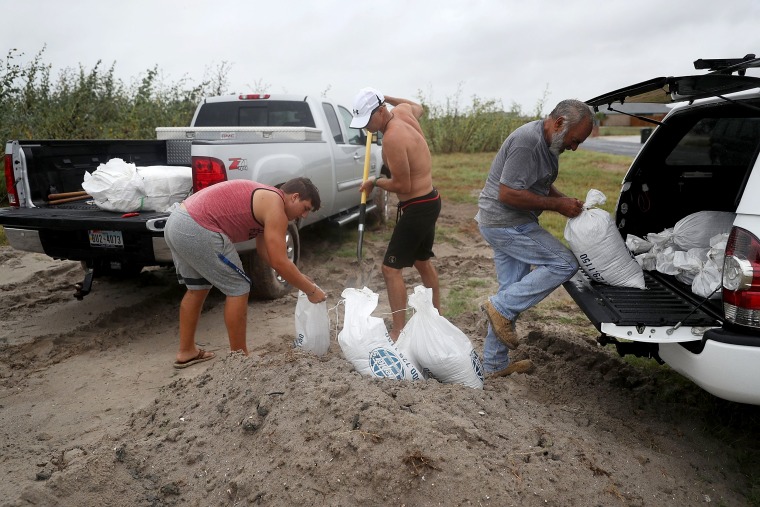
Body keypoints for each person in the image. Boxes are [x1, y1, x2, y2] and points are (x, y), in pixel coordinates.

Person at [476, 99, 594, 377]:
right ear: (559, 123)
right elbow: (508, 193)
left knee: (513, 288)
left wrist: (562, 199)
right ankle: (500, 308)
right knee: (564, 263)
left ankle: (494, 365)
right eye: (574, 140)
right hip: (505, 223)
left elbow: (536, 181)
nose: (574, 148)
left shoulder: (548, 141)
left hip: (506, 221)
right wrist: (557, 206)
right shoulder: (527, 143)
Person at [164, 177, 327, 368]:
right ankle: (239, 359)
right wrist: (312, 291)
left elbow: (265, 252)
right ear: (294, 197)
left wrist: (299, 277)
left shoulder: (267, 199)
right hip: (196, 227)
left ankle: (186, 351)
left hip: (177, 223)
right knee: (239, 287)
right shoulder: (276, 208)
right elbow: (280, 262)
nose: (304, 215)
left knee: (197, 288)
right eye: (306, 208)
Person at [351, 87, 441, 341]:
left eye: (368, 120)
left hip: (416, 207)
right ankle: (437, 316)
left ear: (380, 112)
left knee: (390, 269)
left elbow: (403, 186)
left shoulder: (392, 138)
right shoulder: (402, 112)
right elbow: (419, 106)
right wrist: (387, 97)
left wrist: (375, 182)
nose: (366, 128)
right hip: (430, 199)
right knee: (422, 261)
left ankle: (398, 331)